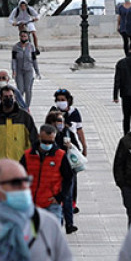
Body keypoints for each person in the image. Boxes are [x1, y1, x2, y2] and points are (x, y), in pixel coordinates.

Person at [21, 124, 72, 224]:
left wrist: (60, 197)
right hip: (30, 203)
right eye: (44, 141)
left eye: (50, 142)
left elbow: (68, 178)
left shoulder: (60, 155)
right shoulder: (27, 155)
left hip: (51, 204)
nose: (47, 144)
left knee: (53, 231)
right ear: (39, 137)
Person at [0, 85, 38, 174]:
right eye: (6, 97)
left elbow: (33, 140)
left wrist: (34, 160)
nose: (9, 99)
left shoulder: (25, 117)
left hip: (20, 164)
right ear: (0, 99)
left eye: (11, 96)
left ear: (15, 98)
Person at [53, 89, 87, 233]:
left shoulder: (74, 112)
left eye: (63, 99)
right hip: (57, 153)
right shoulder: (53, 111)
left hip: (71, 150)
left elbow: (79, 130)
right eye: (58, 99)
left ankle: (72, 203)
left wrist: (84, 146)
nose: (60, 102)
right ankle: (64, 208)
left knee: (72, 181)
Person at [45, 110, 81, 234]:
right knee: (57, 196)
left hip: (68, 169)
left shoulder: (67, 132)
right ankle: (58, 222)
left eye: (62, 121)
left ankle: (69, 224)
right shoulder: (46, 135)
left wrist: (70, 146)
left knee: (68, 196)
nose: (61, 123)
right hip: (53, 170)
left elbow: (77, 147)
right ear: (51, 122)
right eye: (58, 121)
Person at [11, 31, 41, 109]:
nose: (23, 38)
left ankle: (27, 107)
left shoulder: (31, 47)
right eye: (22, 36)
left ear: (28, 37)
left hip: (28, 70)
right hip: (19, 70)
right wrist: (14, 70)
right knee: (20, 90)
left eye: (25, 36)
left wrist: (37, 71)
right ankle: (20, 106)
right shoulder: (15, 47)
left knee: (28, 89)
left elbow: (34, 60)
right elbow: (14, 60)